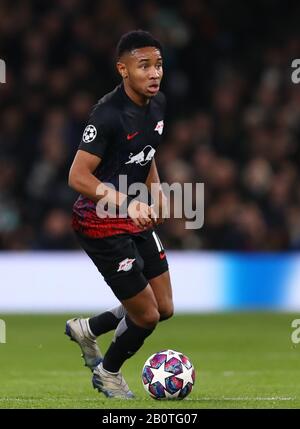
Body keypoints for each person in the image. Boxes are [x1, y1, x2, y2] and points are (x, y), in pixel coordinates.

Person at [65, 30, 173, 399]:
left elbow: (148, 151)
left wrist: (155, 195)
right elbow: (77, 176)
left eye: (158, 64)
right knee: (146, 316)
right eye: (144, 66)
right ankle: (108, 373)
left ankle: (89, 328)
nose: (154, 73)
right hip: (100, 222)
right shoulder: (107, 114)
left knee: (165, 307)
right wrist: (131, 204)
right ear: (123, 70)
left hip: (135, 212)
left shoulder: (157, 106)